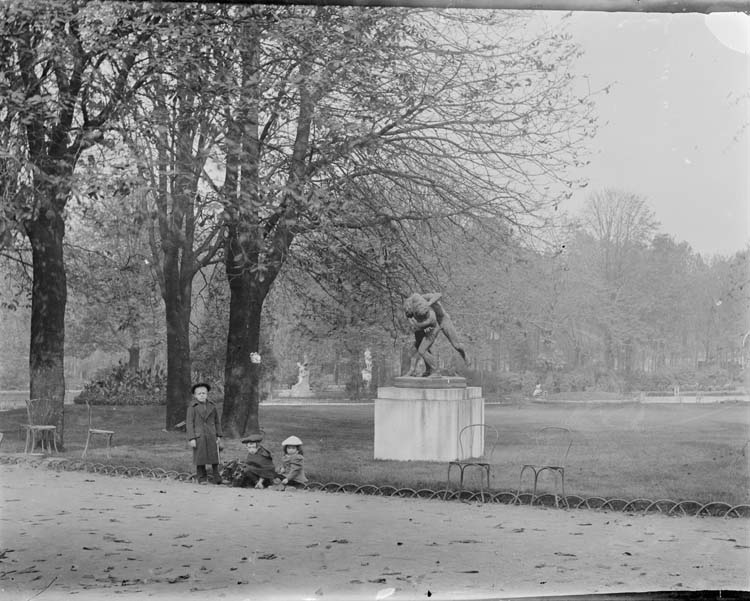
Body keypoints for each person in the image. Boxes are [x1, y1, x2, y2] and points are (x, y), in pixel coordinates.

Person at [403, 292, 468, 377]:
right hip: (433, 325)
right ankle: (430, 370)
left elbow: (438, 295)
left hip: (443, 321)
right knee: (422, 346)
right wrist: (414, 324)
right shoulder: (414, 307)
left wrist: (429, 303)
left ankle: (464, 354)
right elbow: (410, 318)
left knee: (456, 345)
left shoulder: (426, 299)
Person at [185, 382, 223, 484]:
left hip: (211, 434)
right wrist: (191, 438)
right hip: (199, 436)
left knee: (215, 456)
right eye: (199, 393)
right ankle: (201, 478)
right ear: (195, 395)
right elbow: (189, 423)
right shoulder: (192, 407)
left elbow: (217, 421)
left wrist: (218, 435)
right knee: (200, 457)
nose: (202, 395)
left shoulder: (212, 406)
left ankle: (216, 477)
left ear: (207, 394)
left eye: (204, 393)